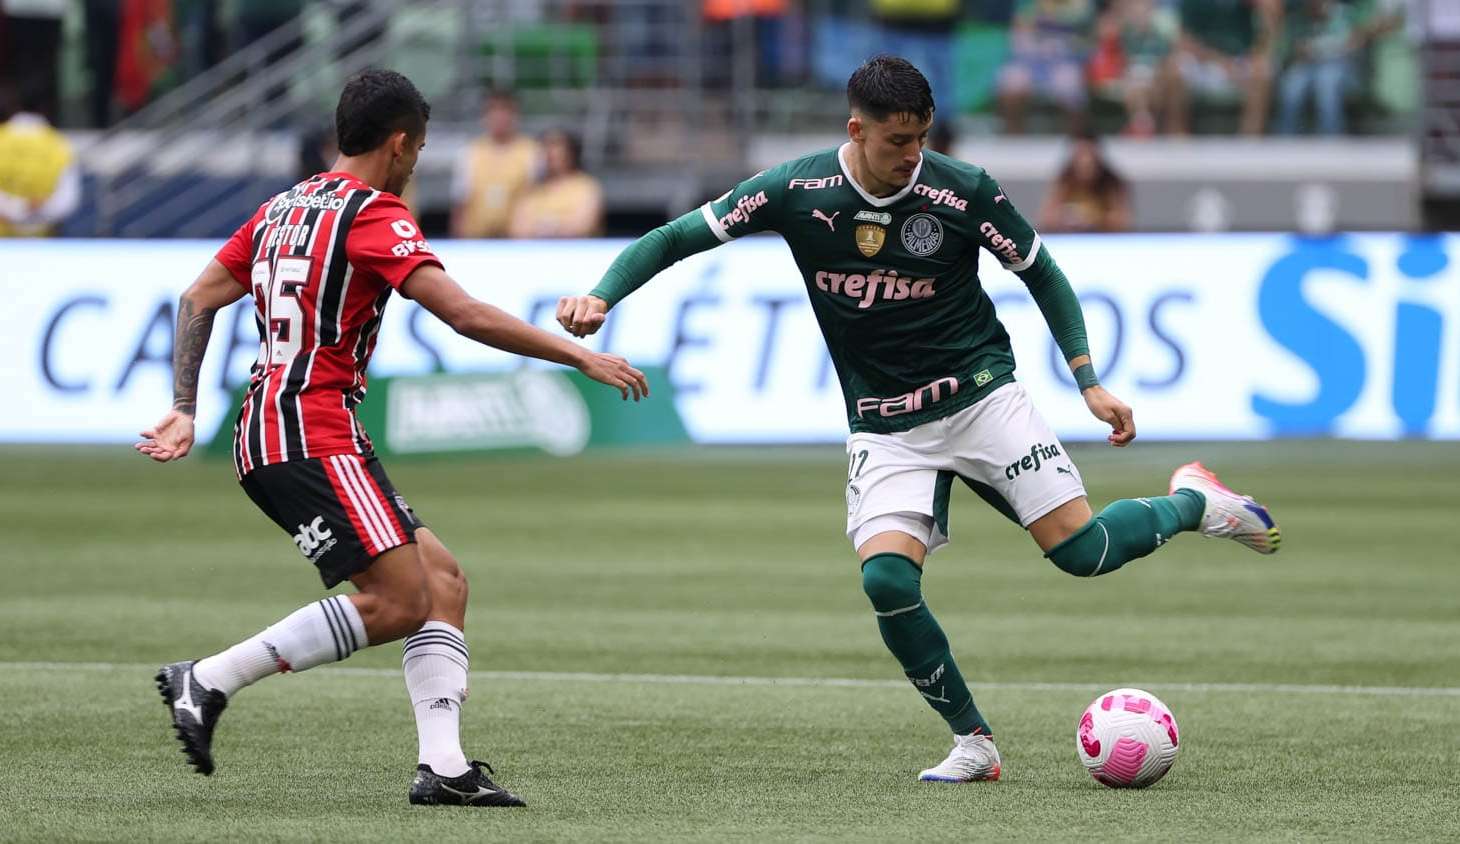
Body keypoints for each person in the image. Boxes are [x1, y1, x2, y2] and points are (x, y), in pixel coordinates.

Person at [556, 55, 1281, 783]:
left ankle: (1194, 502)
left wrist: (1086, 379)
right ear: (857, 130)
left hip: (981, 397)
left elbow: (1042, 272)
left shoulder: (963, 190)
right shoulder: (794, 190)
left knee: (1082, 553)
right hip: (885, 424)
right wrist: (601, 295)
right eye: (897, 141)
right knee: (887, 583)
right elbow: (674, 236)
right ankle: (974, 742)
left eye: (922, 138)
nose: (913, 155)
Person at [136, 69, 648, 807]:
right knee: (402, 601)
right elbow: (464, 314)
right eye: (421, 148)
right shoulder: (374, 213)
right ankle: (210, 678)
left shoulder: (283, 207)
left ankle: (443, 767)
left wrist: (184, 405)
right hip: (308, 429)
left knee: (443, 583)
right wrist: (579, 356)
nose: (416, 164)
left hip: (294, 426)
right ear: (400, 143)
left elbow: (197, 297)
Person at [1173, 0, 1282, 136]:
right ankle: (1178, 139)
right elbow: (1184, 40)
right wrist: (1222, 62)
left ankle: (1249, 139)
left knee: (1261, 71)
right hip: (1204, 61)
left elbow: (1270, 28)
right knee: (1174, 71)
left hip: (1240, 61)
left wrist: (1265, 9)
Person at [450, 91, 541, 239]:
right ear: (485, 116)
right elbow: (461, 201)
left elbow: (539, 197)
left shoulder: (532, 151)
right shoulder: (470, 152)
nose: (499, 117)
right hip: (476, 239)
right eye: (493, 111)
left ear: (515, 116)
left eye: (505, 111)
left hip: (518, 240)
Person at [996, 0, 1097, 134]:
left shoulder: (1080, 7)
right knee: (1011, 81)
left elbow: (1084, 41)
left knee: (1070, 84)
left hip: (1063, 62)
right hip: (1028, 62)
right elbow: (1018, 38)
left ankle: (1076, 136)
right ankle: (1013, 134)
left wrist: (1059, 18)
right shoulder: (1027, 6)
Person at [0, 87, 81, 237]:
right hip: (43, 242)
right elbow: (67, 200)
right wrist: (36, 209)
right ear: (46, 108)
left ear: (13, 106)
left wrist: (18, 209)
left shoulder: (2, 139)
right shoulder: (60, 144)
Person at [1274, 0, 1360, 135]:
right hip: (1305, 65)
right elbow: (1295, 49)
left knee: (1327, 84)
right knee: (1292, 86)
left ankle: (1331, 137)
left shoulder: (1342, 13)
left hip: (1337, 65)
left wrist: (1316, 49)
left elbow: (1351, 43)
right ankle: (1285, 136)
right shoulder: (1298, 15)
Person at [507, 129, 604, 239]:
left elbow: (582, 227)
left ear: (571, 152)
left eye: (556, 146)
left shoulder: (586, 186)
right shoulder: (531, 190)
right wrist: (556, 226)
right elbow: (517, 230)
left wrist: (543, 227)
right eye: (545, 147)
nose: (549, 153)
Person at [1039, 132, 1131, 232]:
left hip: (1103, 238)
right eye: (1080, 155)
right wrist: (1066, 219)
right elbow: (1047, 218)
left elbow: (1122, 220)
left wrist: (1093, 219)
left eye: (1089, 155)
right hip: (1070, 238)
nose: (1085, 161)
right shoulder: (1064, 181)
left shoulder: (1111, 183)